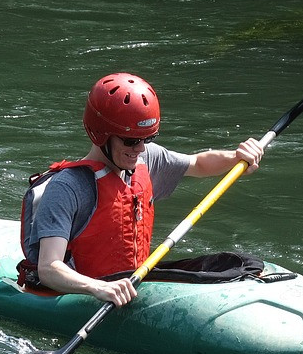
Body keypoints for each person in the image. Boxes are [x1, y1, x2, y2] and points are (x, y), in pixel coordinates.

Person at [18, 72, 264, 306]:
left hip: (133, 284)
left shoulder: (144, 161)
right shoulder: (68, 187)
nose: (141, 148)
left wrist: (236, 157)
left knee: (242, 264)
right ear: (101, 134)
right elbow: (49, 268)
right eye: (131, 140)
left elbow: (198, 163)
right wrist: (97, 288)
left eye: (147, 138)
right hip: (85, 295)